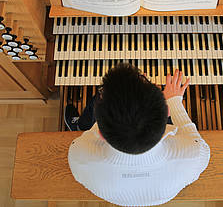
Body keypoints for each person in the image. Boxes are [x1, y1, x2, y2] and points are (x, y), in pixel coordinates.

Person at [65, 63, 210, 206]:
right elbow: (192, 135)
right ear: (167, 113)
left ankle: (79, 125)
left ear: (101, 135)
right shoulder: (195, 155)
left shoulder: (79, 157)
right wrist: (174, 100)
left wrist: (116, 98)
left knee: (94, 106)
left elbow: (94, 130)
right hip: (161, 194)